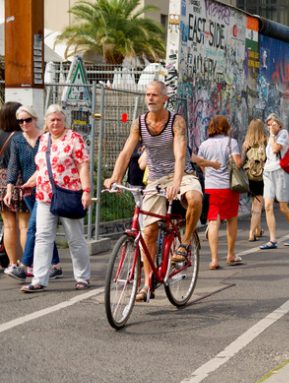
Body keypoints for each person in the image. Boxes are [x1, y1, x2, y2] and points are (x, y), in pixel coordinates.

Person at [104, 80, 206, 301]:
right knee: (148, 232)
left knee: (195, 198)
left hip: (182, 174)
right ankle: (148, 284)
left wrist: (177, 182)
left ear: (164, 98)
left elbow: (180, 154)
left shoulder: (176, 122)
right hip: (156, 180)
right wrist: (115, 177)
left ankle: (186, 242)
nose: (150, 98)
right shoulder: (139, 123)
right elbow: (125, 152)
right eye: (148, 95)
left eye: (155, 95)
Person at [20, 104, 91, 293]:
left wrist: (86, 190)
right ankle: (39, 279)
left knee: (75, 239)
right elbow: (42, 169)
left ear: (64, 120)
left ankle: (82, 277)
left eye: (59, 119)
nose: (55, 123)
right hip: (44, 195)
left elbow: (83, 165)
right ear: (46, 122)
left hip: (68, 194)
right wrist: (30, 182)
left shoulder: (74, 138)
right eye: (52, 120)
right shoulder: (43, 140)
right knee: (42, 237)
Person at [4, 105, 62, 281]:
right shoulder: (17, 141)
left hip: (47, 189)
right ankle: (55, 265)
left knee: (36, 226)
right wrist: (9, 189)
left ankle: (25, 266)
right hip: (28, 191)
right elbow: (13, 166)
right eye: (20, 121)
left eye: (27, 119)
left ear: (35, 119)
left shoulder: (46, 139)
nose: (24, 123)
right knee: (41, 227)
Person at [197, 115, 243, 269]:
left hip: (211, 187)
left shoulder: (204, 145)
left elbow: (201, 164)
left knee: (213, 221)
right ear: (226, 127)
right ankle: (230, 254)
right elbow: (237, 163)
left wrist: (208, 174)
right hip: (228, 187)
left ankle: (214, 259)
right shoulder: (231, 143)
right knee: (231, 219)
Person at [259, 113, 289, 249]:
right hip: (268, 172)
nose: (271, 127)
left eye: (273, 124)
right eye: (269, 125)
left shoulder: (283, 133)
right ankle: (272, 240)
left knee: (283, 207)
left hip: (280, 172)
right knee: (268, 206)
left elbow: (276, 148)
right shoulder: (270, 137)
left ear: (279, 124)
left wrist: (271, 135)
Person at [0, 101, 27, 276]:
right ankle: (26, 264)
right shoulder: (22, 137)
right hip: (19, 182)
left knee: (8, 226)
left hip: (0, 184)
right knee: (24, 226)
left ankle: (12, 264)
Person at [242, 118, 267, 241]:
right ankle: (251, 233)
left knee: (255, 203)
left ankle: (258, 229)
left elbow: (241, 162)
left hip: (250, 176)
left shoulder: (246, 143)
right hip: (263, 176)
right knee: (258, 204)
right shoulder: (266, 141)